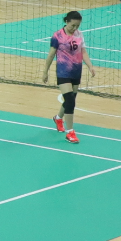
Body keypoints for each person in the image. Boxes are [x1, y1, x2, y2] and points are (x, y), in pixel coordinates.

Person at [41, 9, 88, 143]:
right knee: (70, 100)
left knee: (70, 99)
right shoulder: (57, 36)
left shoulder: (79, 34)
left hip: (76, 71)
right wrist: (45, 72)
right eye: (73, 25)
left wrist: (90, 66)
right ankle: (70, 132)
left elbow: (83, 51)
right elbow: (51, 55)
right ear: (66, 21)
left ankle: (58, 118)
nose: (75, 28)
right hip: (63, 72)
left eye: (77, 26)